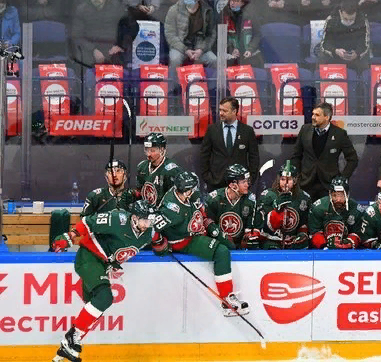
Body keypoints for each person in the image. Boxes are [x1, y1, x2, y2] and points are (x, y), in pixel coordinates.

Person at [50, 201, 155, 362]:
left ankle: (64, 351)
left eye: (150, 221)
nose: (147, 224)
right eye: (145, 220)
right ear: (134, 217)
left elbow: (154, 239)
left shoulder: (147, 234)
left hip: (103, 265)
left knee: (95, 310)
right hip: (89, 257)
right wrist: (71, 235)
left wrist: (162, 245)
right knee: (104, 298)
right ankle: (71, 337)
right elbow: (88, 222)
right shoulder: (117, 219)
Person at [151, 171, 249, 315]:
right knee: (221, 252)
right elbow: (152, 228)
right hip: (184, 241)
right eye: (192, 189)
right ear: (185, 191)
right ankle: (227, 299)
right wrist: (159, 244)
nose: (195, 191)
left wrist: (209, 225)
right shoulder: (171, 210)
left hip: (197, 231)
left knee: (230, 245)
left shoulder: (189, 193)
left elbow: (199, 209)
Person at [291, 102, 359, 200]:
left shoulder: (340, 134)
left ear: (327, 117)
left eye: (317, 115)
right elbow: (296, 156)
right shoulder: (305, 130)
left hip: (329, 185)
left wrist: (342, 178)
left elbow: (353, 159)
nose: (313, 117)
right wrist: (297, 177)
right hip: (306, 183)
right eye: (313, 114)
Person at [200, 97, 260, 190]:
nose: (221, 113)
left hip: (240, 184)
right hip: (216, 183)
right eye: (220, 110)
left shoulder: (247, 131)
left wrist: (250, 179)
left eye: (224, 111)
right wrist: (207, 177)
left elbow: (254, 158)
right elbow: (204, 155)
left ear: (234, 111)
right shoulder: (212, 130)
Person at [164, 0, 217, 81]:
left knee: (214, 60)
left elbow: (211, 34)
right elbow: (170, 34)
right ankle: (174, 87)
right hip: (180, 47)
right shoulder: (174, 10)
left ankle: (210, 88)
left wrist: (201, 49)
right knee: (175, 59)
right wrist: (185, 50)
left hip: (200, 48)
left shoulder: (207, 11)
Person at [258, 161, 312, 249]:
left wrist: (302, 234)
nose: (285, 183)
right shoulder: (268, 195)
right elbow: (263, 225)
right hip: (272, 239)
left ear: (295, 180)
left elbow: (304, 223)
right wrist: (277, 210)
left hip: (293, 239)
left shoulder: (304, 198)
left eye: (289, 179)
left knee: (303, 245)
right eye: (282, 179)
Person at [204, 164, 259, 249]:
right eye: (243, 182)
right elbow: (208, 225)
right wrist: (221, 237)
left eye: (247, 181)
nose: (247, 185)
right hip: (219, 243)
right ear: (232, 185)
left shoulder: (250, 200)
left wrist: (249, 236)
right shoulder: (214, 199)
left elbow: (251, 227)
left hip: (240, 243)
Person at [73, 0, 126, 67]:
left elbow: (125, 29)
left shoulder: (116, 8)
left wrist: (119, 45)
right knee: (83, 61)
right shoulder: (82, 10)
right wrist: (93, 50)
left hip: (112, 48)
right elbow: (77, 35)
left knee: (122, 62)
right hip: (89, 48)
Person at [308, 176, 365, 249]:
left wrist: (348, 244)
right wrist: (324, 245)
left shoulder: (356, 210)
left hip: (347, 250)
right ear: (330, 194)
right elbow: (314, 232)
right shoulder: (318, 207)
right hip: (323, 250)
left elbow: (358, 234)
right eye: (335, 195)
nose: (338, 199)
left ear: (347, 195)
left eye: (342, 195)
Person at [318, 0, 371, 74]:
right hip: (335, 53)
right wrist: (335, 51)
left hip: (355, 55)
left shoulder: (362, 21)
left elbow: (365, 44)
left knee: (364, 61)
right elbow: (324, 43)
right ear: (340, 12)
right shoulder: (331, 20)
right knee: (323, 56)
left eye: (351, 19)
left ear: (356, 13)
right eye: (345, 19)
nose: (348, 22)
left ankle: (362, 80)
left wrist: (357, 53)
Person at [134, 132, 184, 208]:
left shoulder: (172, 170)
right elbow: (139, 192)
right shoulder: (142, 167)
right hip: (146, 210)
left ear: (162, 150)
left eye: (152, 150)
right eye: (147, 150)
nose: (148, 154)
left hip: (166, 211)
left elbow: (177, 199)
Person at [220, 0, 264, 68]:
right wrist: (231, 49)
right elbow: (221, 37)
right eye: (231, 0)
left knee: (255, 63)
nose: (232, 3)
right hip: (231, 54)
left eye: (236, 1)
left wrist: (250, 49)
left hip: (248, 52)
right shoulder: (224, 14)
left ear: (242, 3)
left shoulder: (250, 14)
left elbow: (257, 34)